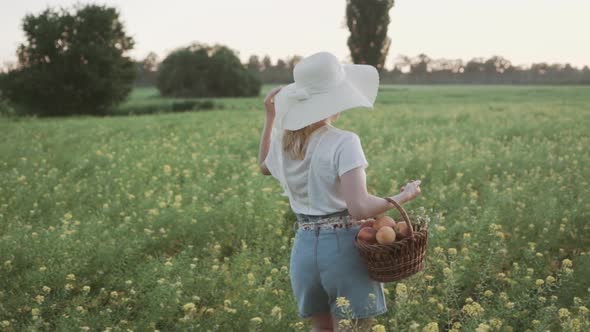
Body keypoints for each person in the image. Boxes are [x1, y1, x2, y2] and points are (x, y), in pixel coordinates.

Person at [257, 52, 422, 332]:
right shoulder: (344, 141)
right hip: (343, 250)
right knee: (355, 329)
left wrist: (271, 116)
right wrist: (403, 196)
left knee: (321, 329)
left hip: (304, 250)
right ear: (336, 98)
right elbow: (358, 207)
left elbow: (263, 166)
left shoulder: (287, 143)